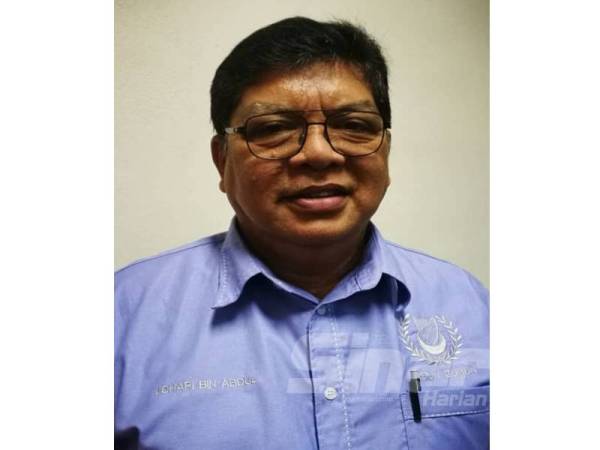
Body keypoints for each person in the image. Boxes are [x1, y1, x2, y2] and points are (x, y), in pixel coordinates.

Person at [115, 16, 489, 450]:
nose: (318, 153)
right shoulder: (123, 318)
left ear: (385, 149)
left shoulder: (469, 305)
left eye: (354, 125)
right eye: (273, 128)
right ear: (222, 161)